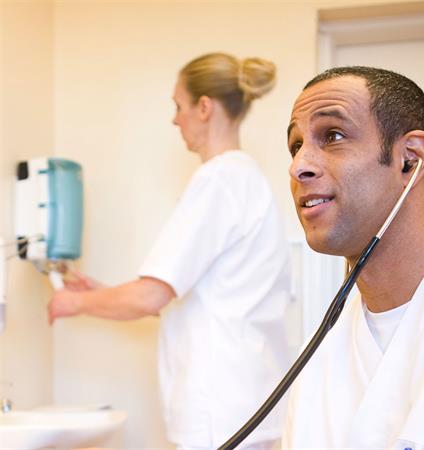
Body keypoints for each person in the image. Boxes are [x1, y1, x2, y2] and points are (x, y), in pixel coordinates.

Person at [48, 52, 291, 450]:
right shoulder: (247, 180)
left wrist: (73, 303)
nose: (175, 120)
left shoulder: (218, 181)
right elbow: (200, 297)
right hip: (246, 403)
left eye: (178, 106)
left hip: (219, 411)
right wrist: (101, 293)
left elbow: (150, 296)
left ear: (204, 107)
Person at [282, 66, 424, 449]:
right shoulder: (319, 353)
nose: (298, 166)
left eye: (333, 136)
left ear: (410, 159)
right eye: (295, 146)